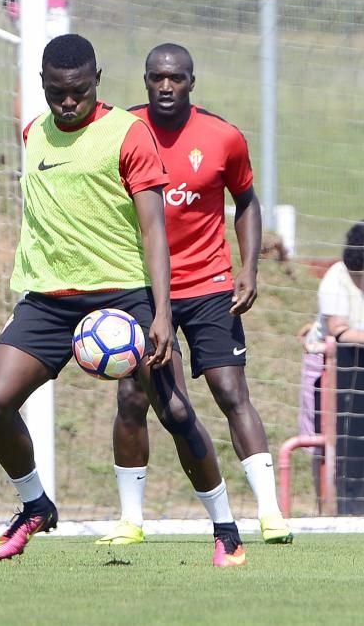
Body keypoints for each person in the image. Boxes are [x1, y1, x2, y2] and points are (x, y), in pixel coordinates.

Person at [0, 33, 247, 567]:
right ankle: (35, 506)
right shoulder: (34, 133)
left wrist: (163, 313)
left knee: (171, 409)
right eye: (57, 92)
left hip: (123, 295)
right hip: (48, 299)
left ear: (96, 81)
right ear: (44, 87)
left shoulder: (129, 134)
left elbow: (153, 232)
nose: (67, 102)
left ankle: (225, 526)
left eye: (77, 91)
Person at [96, 43, 292, 547]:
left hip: (208, 284)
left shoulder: (223, 136)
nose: (166, 86)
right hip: (141, 286)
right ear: (144, 81)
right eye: (157, 77)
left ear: (191, 82)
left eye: (176, 78)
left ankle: (271, 513)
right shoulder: (121, 132)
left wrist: (248, 268)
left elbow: (246, 202)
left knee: (231, 393)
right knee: (133, 395)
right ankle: (131, 520)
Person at [299, 221, 364, 479]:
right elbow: (339, 330)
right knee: (324, 441)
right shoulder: (336, 277)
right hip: (328, 365)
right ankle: (325, 504)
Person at [6, 0, 75, 140]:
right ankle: (35, 153)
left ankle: (29, 155)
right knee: (50, 75)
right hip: (43, 0)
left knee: (30, 73)